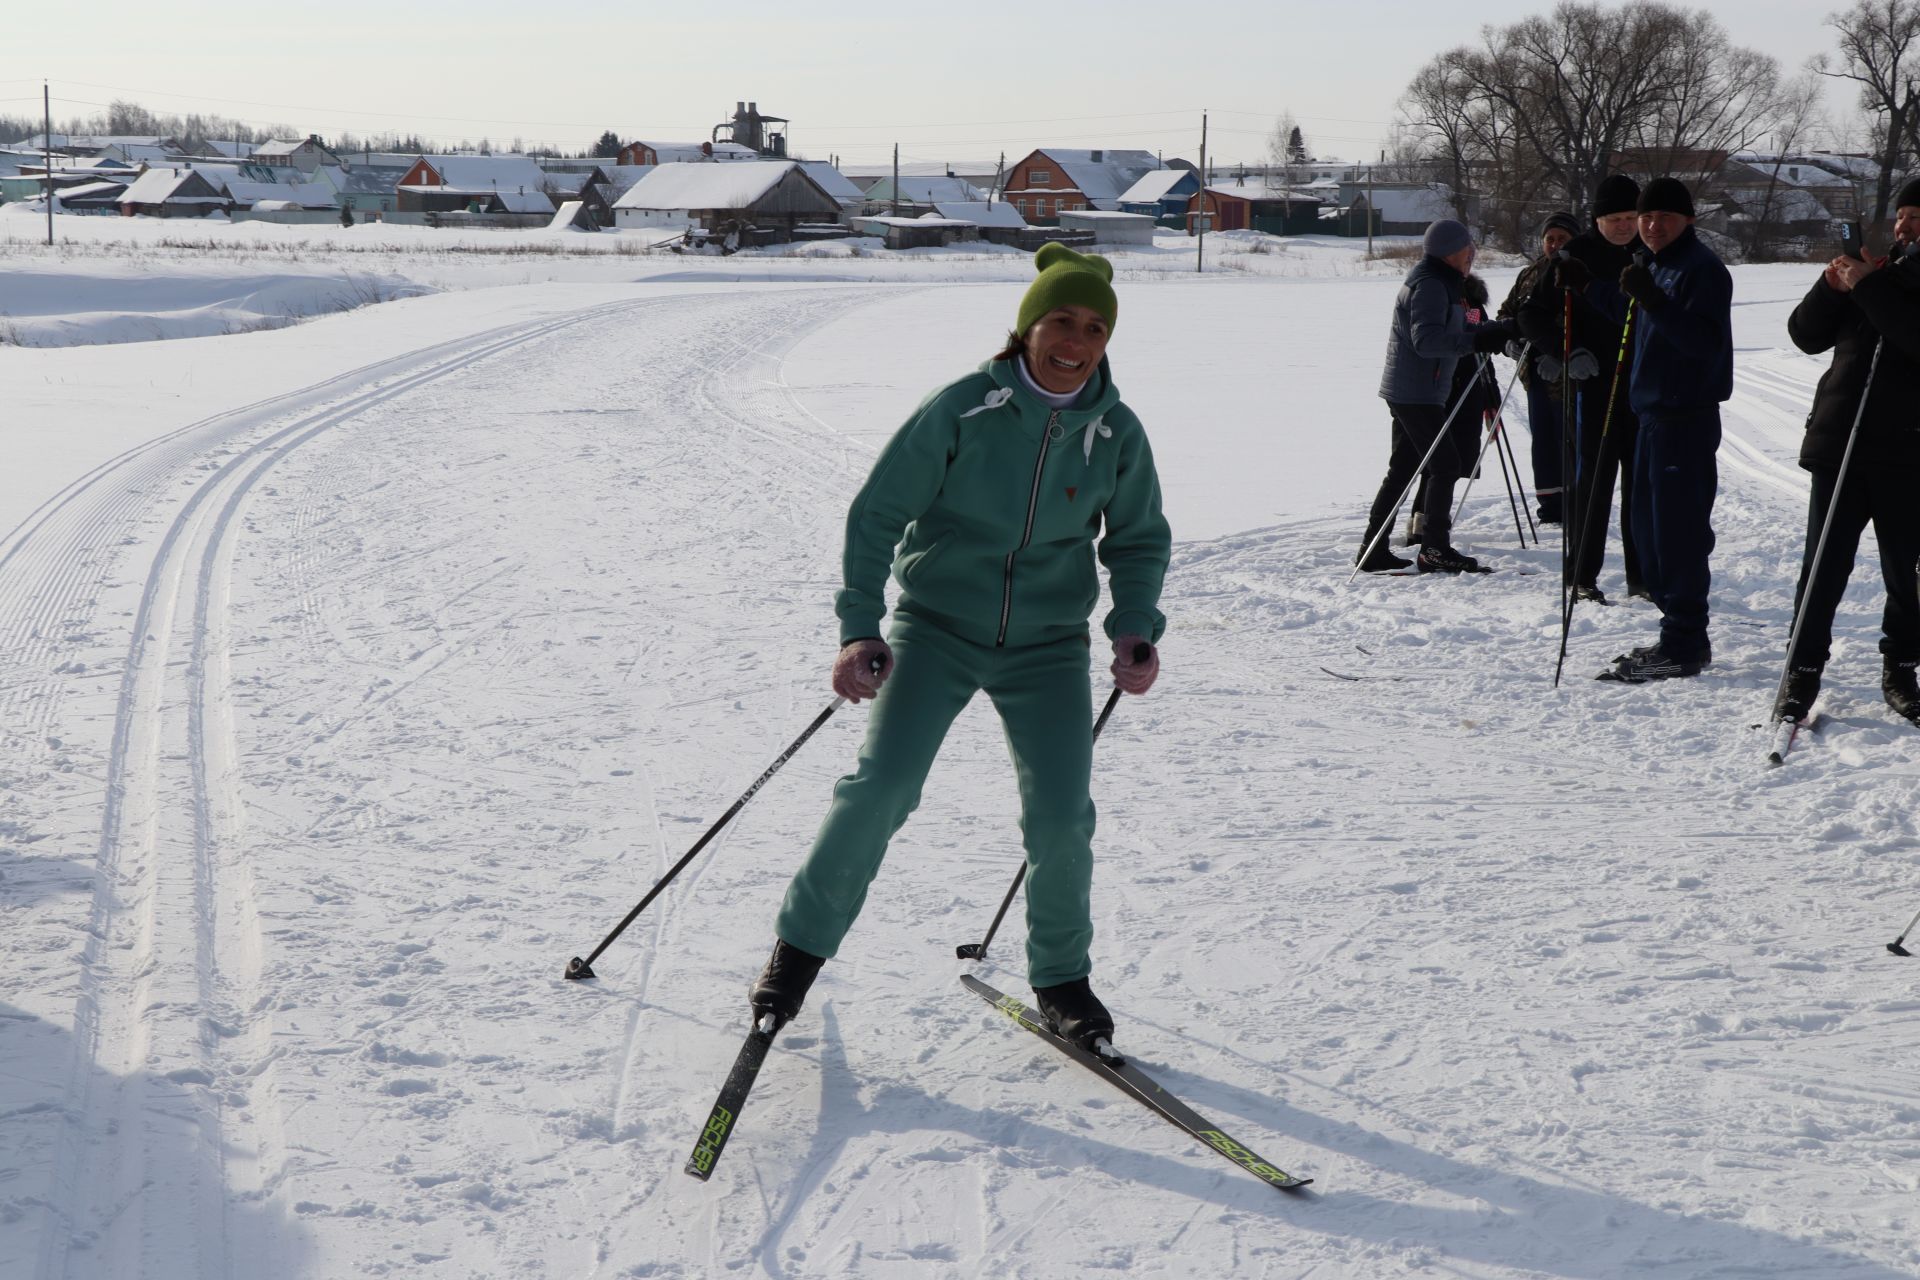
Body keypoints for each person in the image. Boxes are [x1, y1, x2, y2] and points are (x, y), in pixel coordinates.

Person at [746, 243, 1172, 1051]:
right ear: (1028, 326)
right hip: (937, 627)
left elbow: (1140, 540)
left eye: (1093, 327)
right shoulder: (963, 406)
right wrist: (859, 627)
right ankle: (795, 958)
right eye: (1059, 320)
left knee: (1060, 818)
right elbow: (876, 516)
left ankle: (1062, 980)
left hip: (1046, 644)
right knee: (881, 789)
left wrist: (1135, 626)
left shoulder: (1116, 431)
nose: (1074, 340)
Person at [1775, 178, 1920, 725]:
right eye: (1902, 214)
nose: (1904, 225)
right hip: (1841, 445)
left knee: (1907, 572)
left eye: (1915, 217)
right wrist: (1833, 287)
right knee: (1822, 567)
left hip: (1907, 451)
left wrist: (1868, 288)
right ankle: (1801, 673)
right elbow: (1805, 336)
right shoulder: (1877, 274)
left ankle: (1902, 668)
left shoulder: (1884, 284)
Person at [1602, 177, 1733, 681]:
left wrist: (1653, 298)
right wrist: (1585, 285)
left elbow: (1702, 343)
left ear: (1689, 220)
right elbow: (1632, 315)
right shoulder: (1655, 265)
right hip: (1652, 420)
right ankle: (1673, 630)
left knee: (1677, 533)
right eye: (1646, 217)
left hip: (1685, 418)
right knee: (1648, 533)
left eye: (1665, 218)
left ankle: (1684, 641)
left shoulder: (1702, 270)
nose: (1653, 226)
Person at [1357, 218, 1516, 574]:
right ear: (1452, 252)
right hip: (1416, 391)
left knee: (1403, 469)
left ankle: (1373, 550)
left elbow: (1460, 327)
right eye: (1468, 250)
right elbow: (1426, 341)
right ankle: (1434, 548)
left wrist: (1496, 331)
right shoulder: (1430, 284)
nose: (1471, 256)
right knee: (1445, 465)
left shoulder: (1444, 281)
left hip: (1416, 388)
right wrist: (1475, 340)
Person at [1519, 176, 1647, 603]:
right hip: (1593, 386)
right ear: (1598, 219)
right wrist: (1565, 351)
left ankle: (1641, 577)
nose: (1625, 226)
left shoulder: (1650, 253)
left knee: (1640, 486)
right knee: (1592, 483)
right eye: (1615, 219)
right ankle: (1581, 575)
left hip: (1643, 386)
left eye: (1632, 217)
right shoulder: (1576, 257)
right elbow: (1531, 315)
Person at [1406, 271, 1503, 547]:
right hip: (1441, 389)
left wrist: (1491, 400)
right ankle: (1422, 525)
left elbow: (1483, 354)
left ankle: (1431, 523)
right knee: (1436, 463)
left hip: (1470, 390)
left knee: (1456, 461)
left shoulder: (1473, 304)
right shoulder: (1438, 300)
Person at [1499, 211, 1581, 525]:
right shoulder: (1530, 274)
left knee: (1568, 438)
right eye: (1550, 239)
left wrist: (1558, 352)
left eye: (1562, 239)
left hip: (1569, 375)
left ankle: (1575, 500)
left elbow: (1586, 323)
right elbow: (1508, 313)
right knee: (1543, 440)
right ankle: (1549, 505)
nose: (1555, 244)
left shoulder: (1578, 273)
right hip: (1533, 374)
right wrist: (1510, 340)